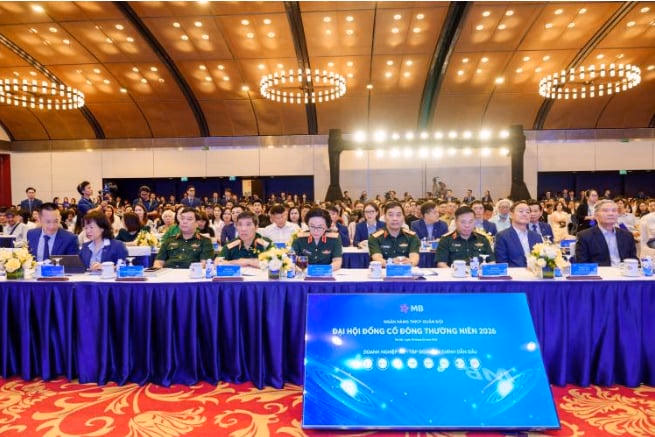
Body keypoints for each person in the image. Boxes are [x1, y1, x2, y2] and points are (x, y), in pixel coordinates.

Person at [575, 199, 636, 267]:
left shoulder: (627, 236)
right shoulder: (584, 236)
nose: (611, 214)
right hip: (600, 272)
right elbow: (582, 265)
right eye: (605, 211)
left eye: (614, 211)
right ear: (596, 215)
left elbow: (634, 261)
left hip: (625, 272)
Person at [368, 201, 420, 267]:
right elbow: (377, 258)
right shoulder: (375, 238)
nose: (395, 219)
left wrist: (410, 262)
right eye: (390, 215)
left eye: (398, 215)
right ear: (384, 217)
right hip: (385, 272)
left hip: (406, 270)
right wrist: (391, 262)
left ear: (403, 217)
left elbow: (414, 258)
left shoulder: (412, 237)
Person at [494, 201, 543, 267]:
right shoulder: (502, 236)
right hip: (513, 273)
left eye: (527, 212)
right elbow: (502, 263)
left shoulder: (537, 237)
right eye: (521, 211)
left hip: (535, 272)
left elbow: (542, 260)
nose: (524, 214)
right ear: (511, 214)